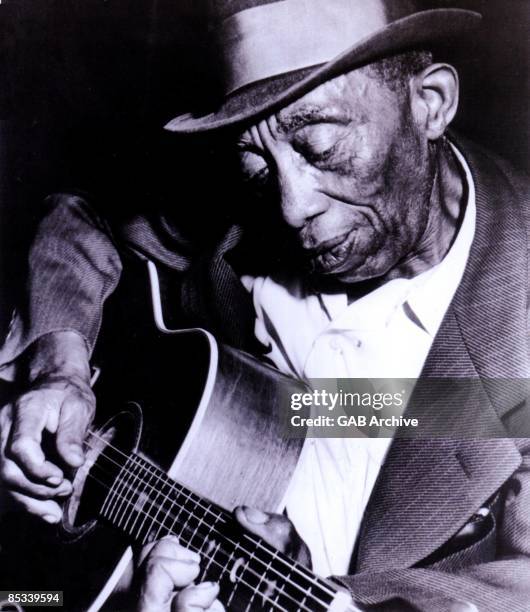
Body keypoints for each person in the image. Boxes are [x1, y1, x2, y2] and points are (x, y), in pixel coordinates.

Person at [1, 1, 530, 610]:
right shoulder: (246, 209)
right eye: (257, 167)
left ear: (431, 102)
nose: (290, 207)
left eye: (322, 148)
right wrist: (60, 368)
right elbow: (81, 218)